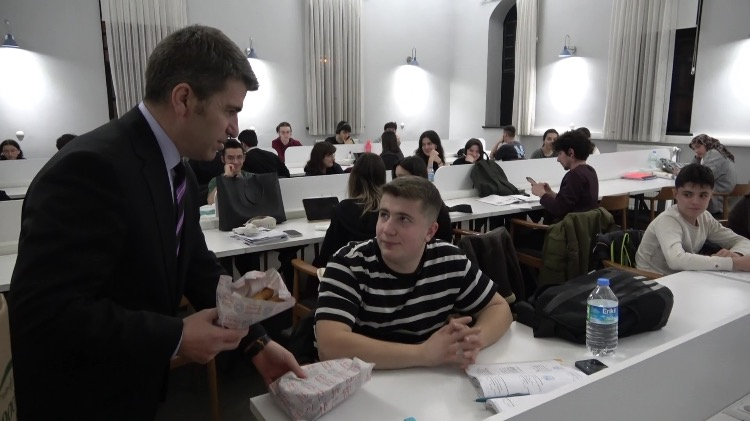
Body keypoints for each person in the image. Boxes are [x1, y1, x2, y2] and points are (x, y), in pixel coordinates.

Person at [7, 25, 304, 420]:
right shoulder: (91, 167)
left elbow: (195, 266)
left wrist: (257, 343)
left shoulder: (178, 170)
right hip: (82, 398)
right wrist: (176, 336)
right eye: (230, 110)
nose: (234, 128)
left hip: (136, 386)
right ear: (183, 99)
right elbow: (45, 311)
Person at [314, 176, 512, 369]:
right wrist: (423, 354)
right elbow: (329, 346)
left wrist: (473, 341)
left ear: (430, 231)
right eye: (384, 215)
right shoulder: (349, 263)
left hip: (426, 381)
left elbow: (499, 307)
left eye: (403, 219)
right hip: (366, 381)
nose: (387, 229)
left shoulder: (449, 260)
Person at [635, 164, 750, 275]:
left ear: (711, 196)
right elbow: (676, 260)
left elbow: (743, 241)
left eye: (703, 195)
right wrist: (733, 263)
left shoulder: (705, 217)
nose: (695, 202)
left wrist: (737, 254)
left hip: (682, 275)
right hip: (651, 278)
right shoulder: (667, 220)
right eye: (687, 194)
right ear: (675, 194)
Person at [315, 153, 386, 267]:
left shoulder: (343, 209)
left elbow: (327, 255)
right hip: (380, 273)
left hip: (347, 273)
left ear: (354, 177)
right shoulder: (389, 210)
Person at [529, 129, 599, 223]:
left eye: (560, 153)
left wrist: (541, 193)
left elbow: (558, 209)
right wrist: (550, 193)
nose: (558, 159)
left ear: (571, 153)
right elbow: (568, 203)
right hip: (583, 227)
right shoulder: (590, 171)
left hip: (567, 229)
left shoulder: (574, 176)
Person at [392, 156, 453, 243]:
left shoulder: (428, 200)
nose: (398, 182)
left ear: (417, 177)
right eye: (396, 177)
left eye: (402, 177)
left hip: (432, 246)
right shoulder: (403, 200)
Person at [681, 134, 737, 218]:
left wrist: (679, 173)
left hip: (718, 201)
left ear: (707, 144)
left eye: (698, 147)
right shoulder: (717, 152)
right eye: (694, 149)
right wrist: (697, 158)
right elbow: (694, 171)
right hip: (722, 199)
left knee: (683, 198)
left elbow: (700, 177)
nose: (696, 151)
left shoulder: (713, 154)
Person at [206, 139, 251, 205]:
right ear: (223, 159)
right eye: (230, 158)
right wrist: (226, 178)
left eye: (239, 157)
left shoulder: (252, 177)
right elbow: (211, 202)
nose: (235, 162)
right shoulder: (215, 181)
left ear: (243, 158)